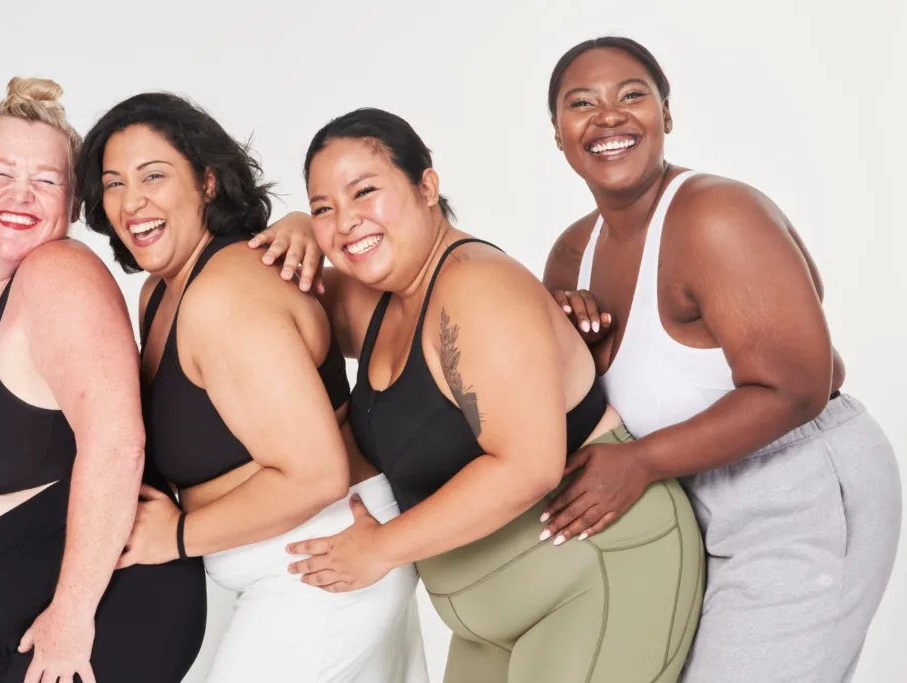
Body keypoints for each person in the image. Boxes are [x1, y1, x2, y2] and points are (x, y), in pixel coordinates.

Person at [260, 107, 704, 683]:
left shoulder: (476, 286)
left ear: (426, 186)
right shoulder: (380, 298)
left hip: (594, 579)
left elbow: (527, 467)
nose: (345, 222)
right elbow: (279, 309)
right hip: (497, 617)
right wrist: (296, 226)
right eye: (325, 207)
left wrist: (379, 550)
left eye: (364, 192)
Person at [540, 36, 902, 683]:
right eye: (581, 103)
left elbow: (799, 388)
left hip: (794, 489)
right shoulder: (572, 254)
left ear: (666, 115)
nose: (609, 116)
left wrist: (642, 460)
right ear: (559, 134)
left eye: (632, 95)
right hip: (683, 506)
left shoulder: (716, 216)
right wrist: (565, 341)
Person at [74, 91, 428, 683]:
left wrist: (178, 535)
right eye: (113, 183)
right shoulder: (158, 294)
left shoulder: (227, 295)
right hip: (281, 568)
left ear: (207, 183)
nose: (132, 201)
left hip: (323, 566)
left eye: (153, 176)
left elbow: (315, 473)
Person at [0, 78, 207, 683]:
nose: (21, 194)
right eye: (1, 172)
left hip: (100, 610)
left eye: (47, 179)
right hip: (18, 624)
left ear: (71, 202)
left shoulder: (60, 273)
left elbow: (117, 445)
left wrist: (71, 616)